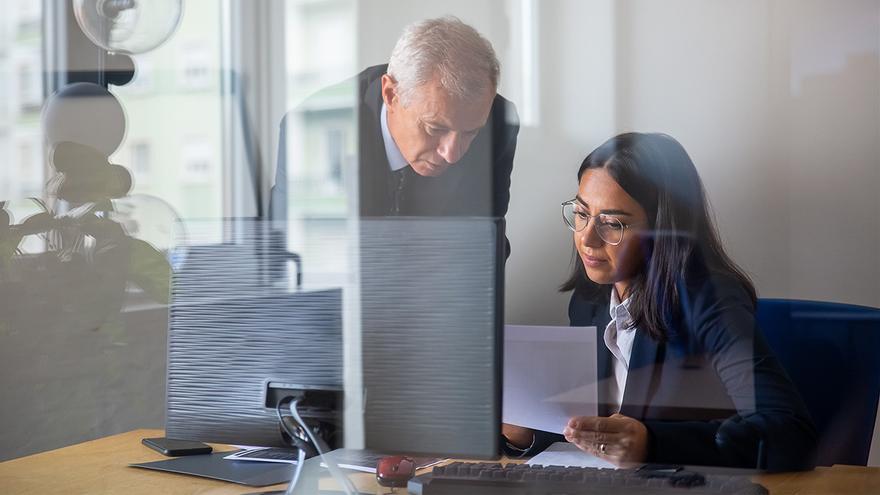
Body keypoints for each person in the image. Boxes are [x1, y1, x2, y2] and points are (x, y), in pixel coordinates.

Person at [503, 133, 816, 471]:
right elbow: (592, 429)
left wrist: (650, 444)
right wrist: (526, 433)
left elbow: (790, 433)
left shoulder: (710, 300)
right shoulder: (589, 299)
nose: (586, 238)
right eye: (581, 213)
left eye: (611, 223)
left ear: (662, 228)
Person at [271, 16, 519, 223]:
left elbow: (483, 254)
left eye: (470, 133)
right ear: (391, 94)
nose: (452, 155)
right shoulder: (313, 128)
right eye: (434, 128)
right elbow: (292, 256)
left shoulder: (499, 124)